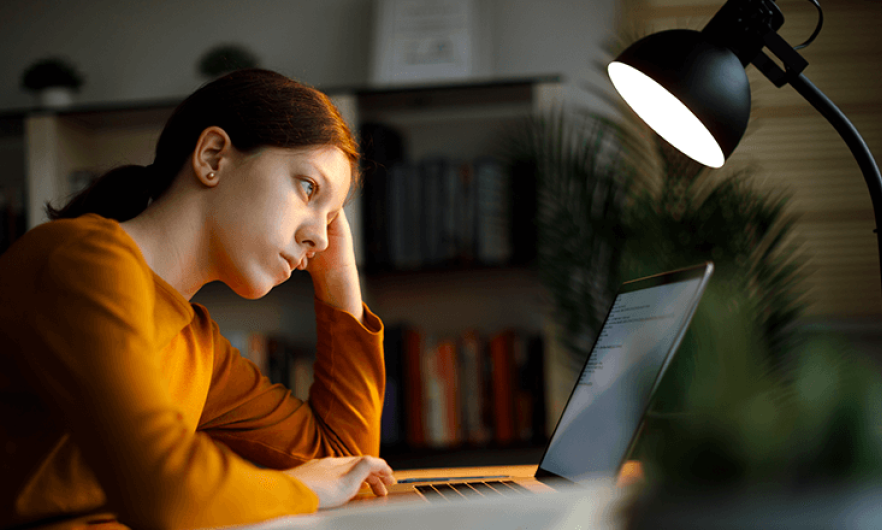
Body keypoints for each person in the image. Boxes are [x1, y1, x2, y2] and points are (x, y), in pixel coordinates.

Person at [0, 68, 395, 530]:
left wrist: (340, 281)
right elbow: (165, 490)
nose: (320, 239)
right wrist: (305, 488)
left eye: (330, 219)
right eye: (308, 188)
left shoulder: (196, 342)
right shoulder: (80, 260)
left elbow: (346, 465)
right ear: (212, 156)